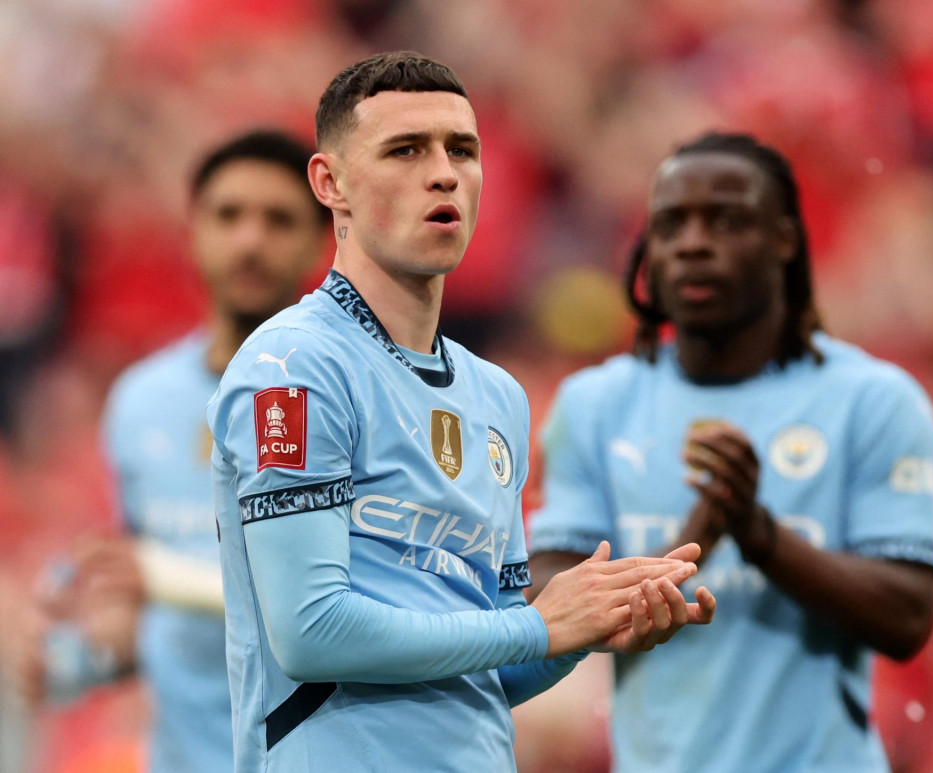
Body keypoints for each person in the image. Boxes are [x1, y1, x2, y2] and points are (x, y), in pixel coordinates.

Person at [206, 51, 716, 773]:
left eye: (462, 150)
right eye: (406, 149)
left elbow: (488, 670)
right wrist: (541, 626)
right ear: (331, 183)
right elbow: (310, 630)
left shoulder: (497, 397)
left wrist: (589, 629)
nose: (444, 172)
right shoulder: (293, 366)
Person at [527, 131, 933, 772]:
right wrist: (702, 535)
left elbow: (907, 618)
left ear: (784, 240)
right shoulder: (594, 404)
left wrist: (759, 534)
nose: (694, 242)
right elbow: (545, 591)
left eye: (726, 220)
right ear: (648, 250)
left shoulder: (873, 400)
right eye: (671, 224)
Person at [17, 129, 330, 772]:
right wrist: (74, 659)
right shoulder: (141, 400)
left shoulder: (344, 396)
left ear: (319, 242)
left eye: (277, 220)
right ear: (191, 232)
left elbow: (343, 600)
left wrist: (161, 577)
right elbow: (137, 603)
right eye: (228, 215)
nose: (250, 239)